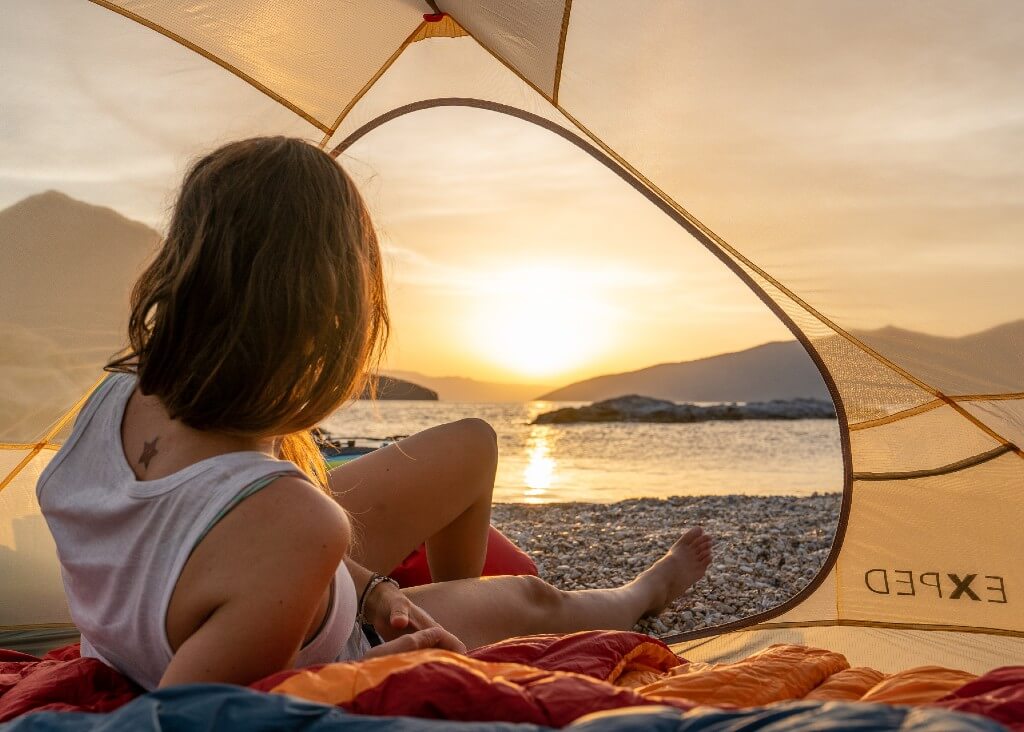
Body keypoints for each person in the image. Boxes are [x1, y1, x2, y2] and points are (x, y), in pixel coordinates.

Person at [37, 137, 713, 692]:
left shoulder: (114, 398)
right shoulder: (299, 522)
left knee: (474, 442)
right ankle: (640, 594)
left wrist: (377, 595)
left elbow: (194, 540)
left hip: (235, 574)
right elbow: (193, 713)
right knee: (537, 600)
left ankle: (449, 600)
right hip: (300, 613)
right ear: (333, 310)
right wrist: (392, 667)